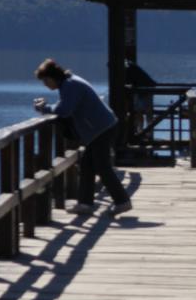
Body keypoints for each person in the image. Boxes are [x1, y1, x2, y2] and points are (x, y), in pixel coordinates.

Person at [33, 58, 132, 217]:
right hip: (101, 127)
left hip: (101, 129)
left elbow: (64, 110)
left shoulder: (70, 85)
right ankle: (85, 204)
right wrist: (50, 107)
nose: (45, 84)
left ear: (52, 77)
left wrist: (43, 107)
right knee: (87, 165)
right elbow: (65, 105)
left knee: (102, 166)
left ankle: (122, 201)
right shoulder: (69, 82)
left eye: (45, 81)